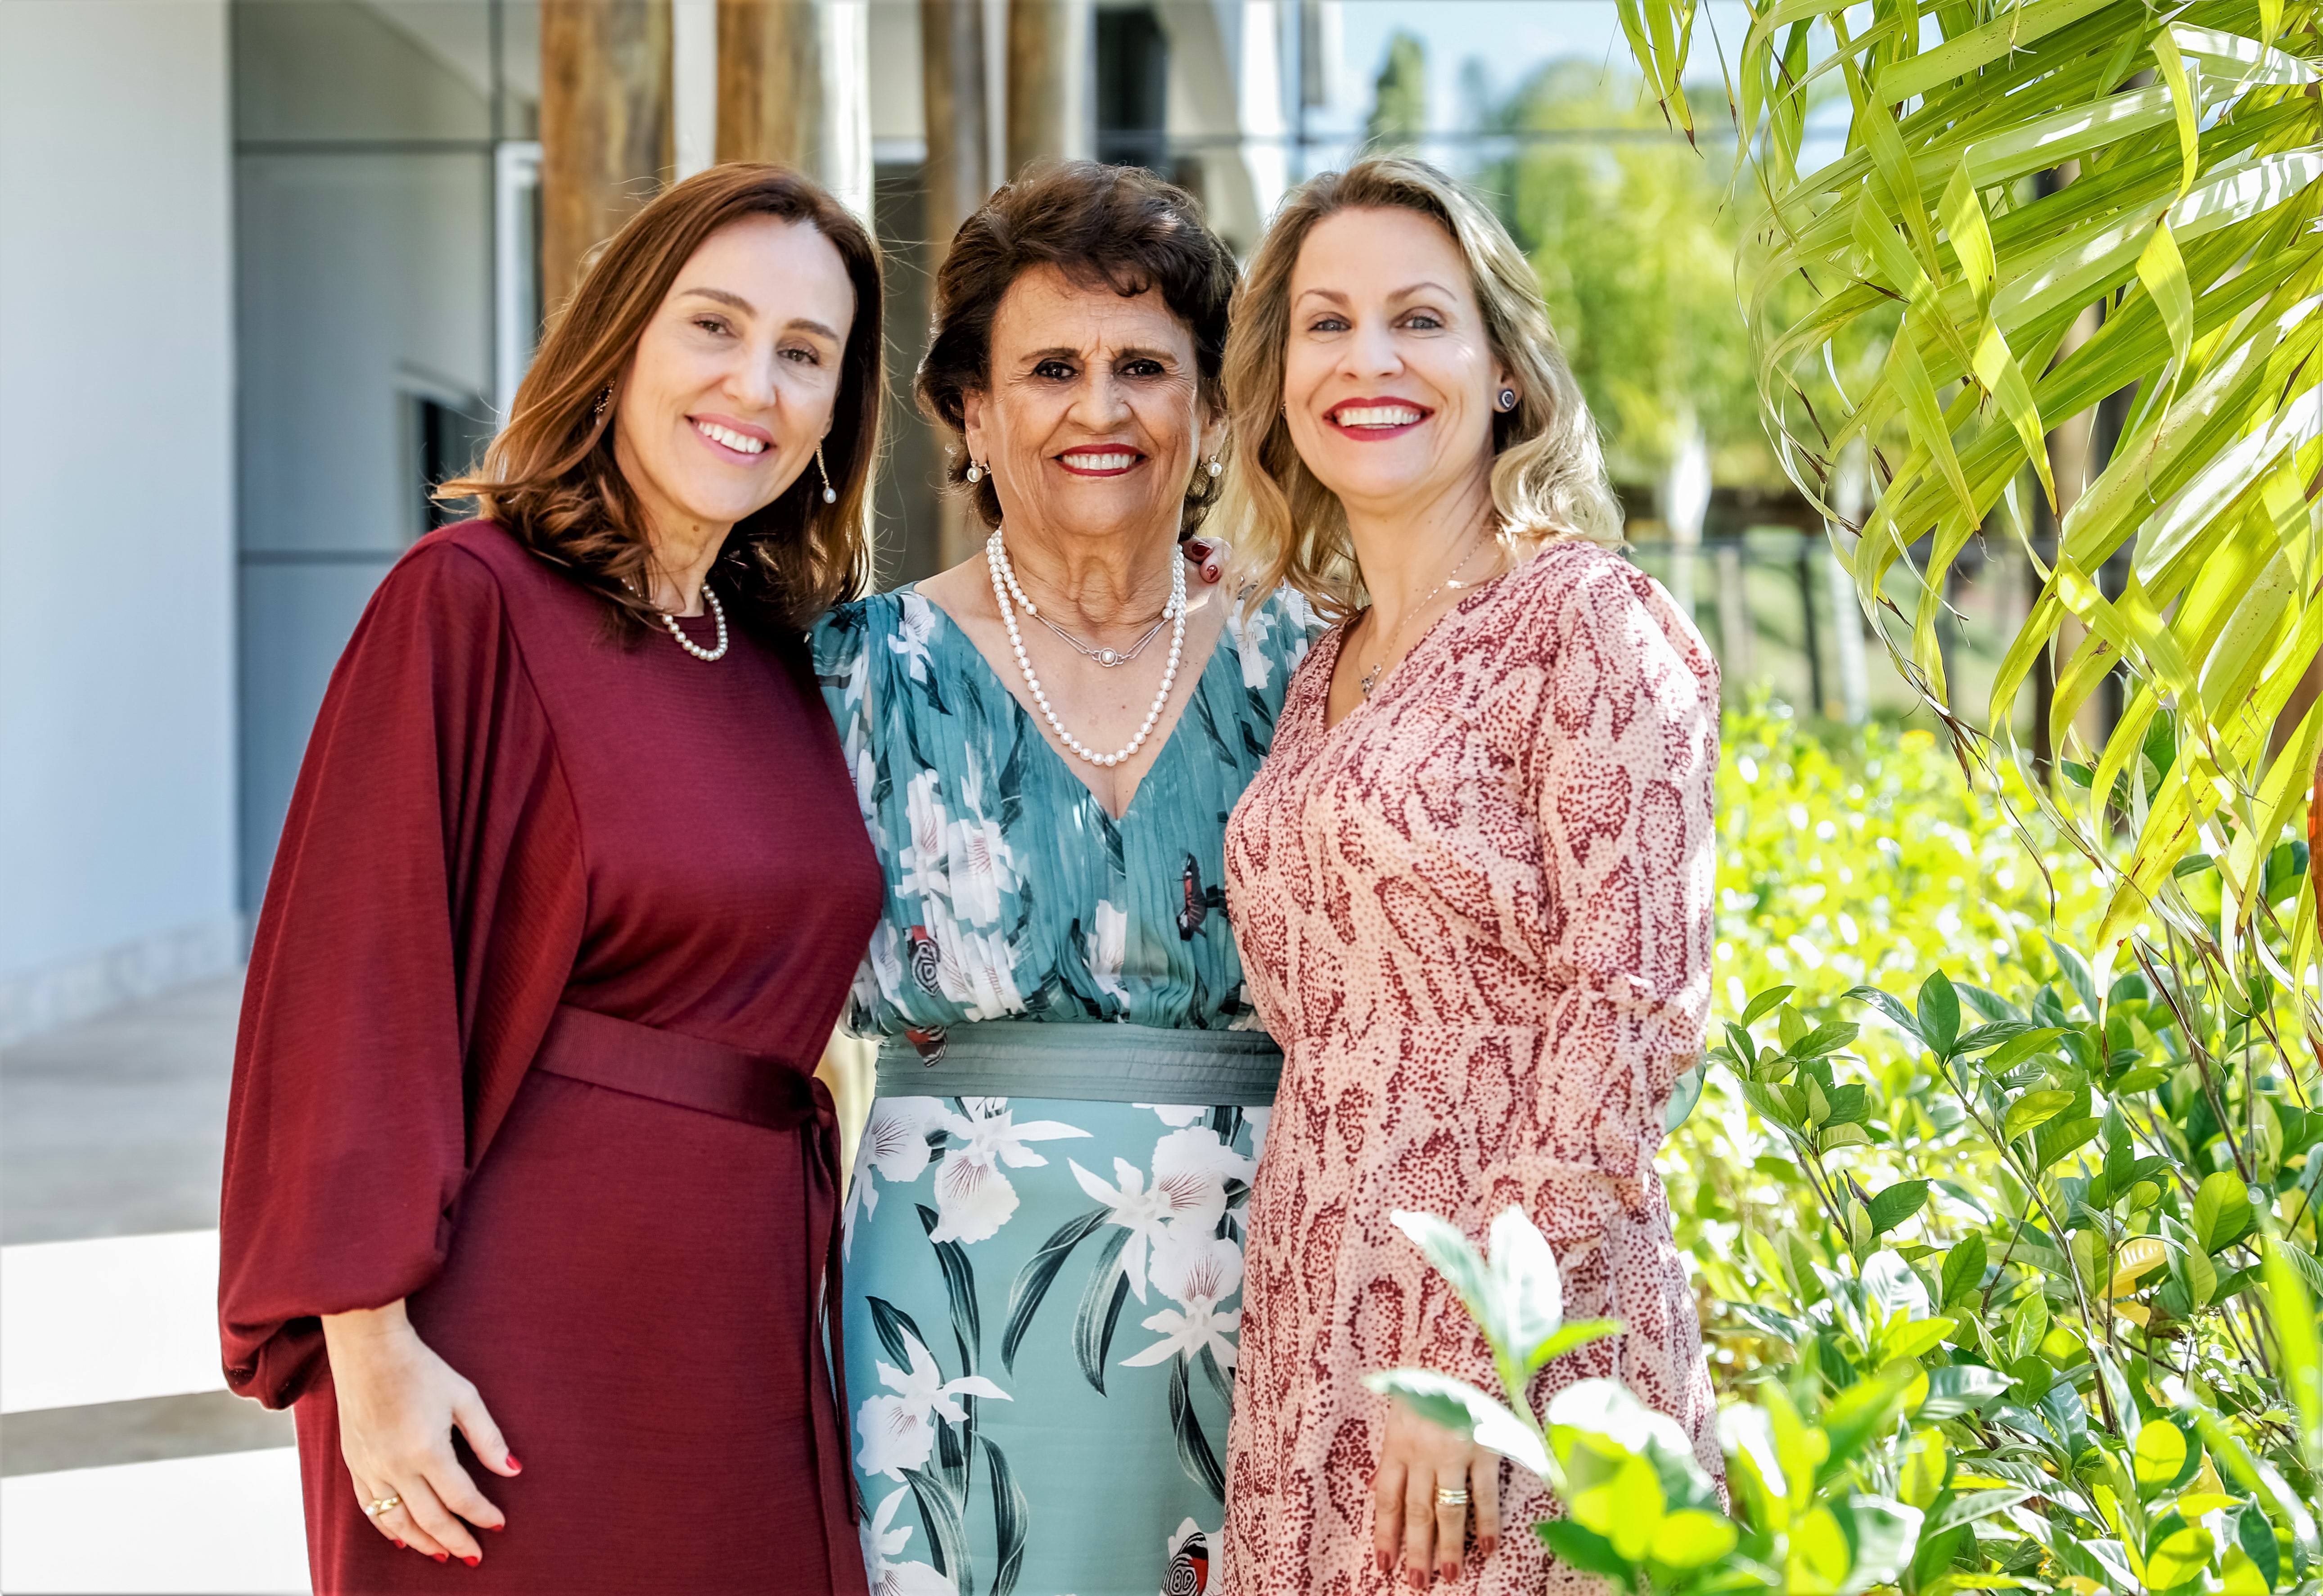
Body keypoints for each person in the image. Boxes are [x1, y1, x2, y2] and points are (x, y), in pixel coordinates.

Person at [217, 163, 886, 1595]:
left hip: (750, 1320)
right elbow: (355, 983)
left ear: (840, 410)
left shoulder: (779, 659)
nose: (754, 384)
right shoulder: (468, 598)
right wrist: (368, 1343)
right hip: (501, 1337)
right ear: (622, 338)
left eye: (804, 353)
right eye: (714, 326)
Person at [1216, 156, 1723, 1593]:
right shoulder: (1320, 666)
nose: (1366, 360)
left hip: (1519, 1343)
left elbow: (1629, 1011)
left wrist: (1463, 1356)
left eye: (1419, 319)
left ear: (1502, 371)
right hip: (1314, 1320)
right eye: (1325, 323)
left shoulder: (1588, 622)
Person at [811, 160, 1315, 1596]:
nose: (1100, 408)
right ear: (973, 413)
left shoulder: (1316, 665)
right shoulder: (857, 670)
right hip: (946, 1292)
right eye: (1050, 369)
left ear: (1209, 408)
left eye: (1143, 366)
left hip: (1265, 1278)